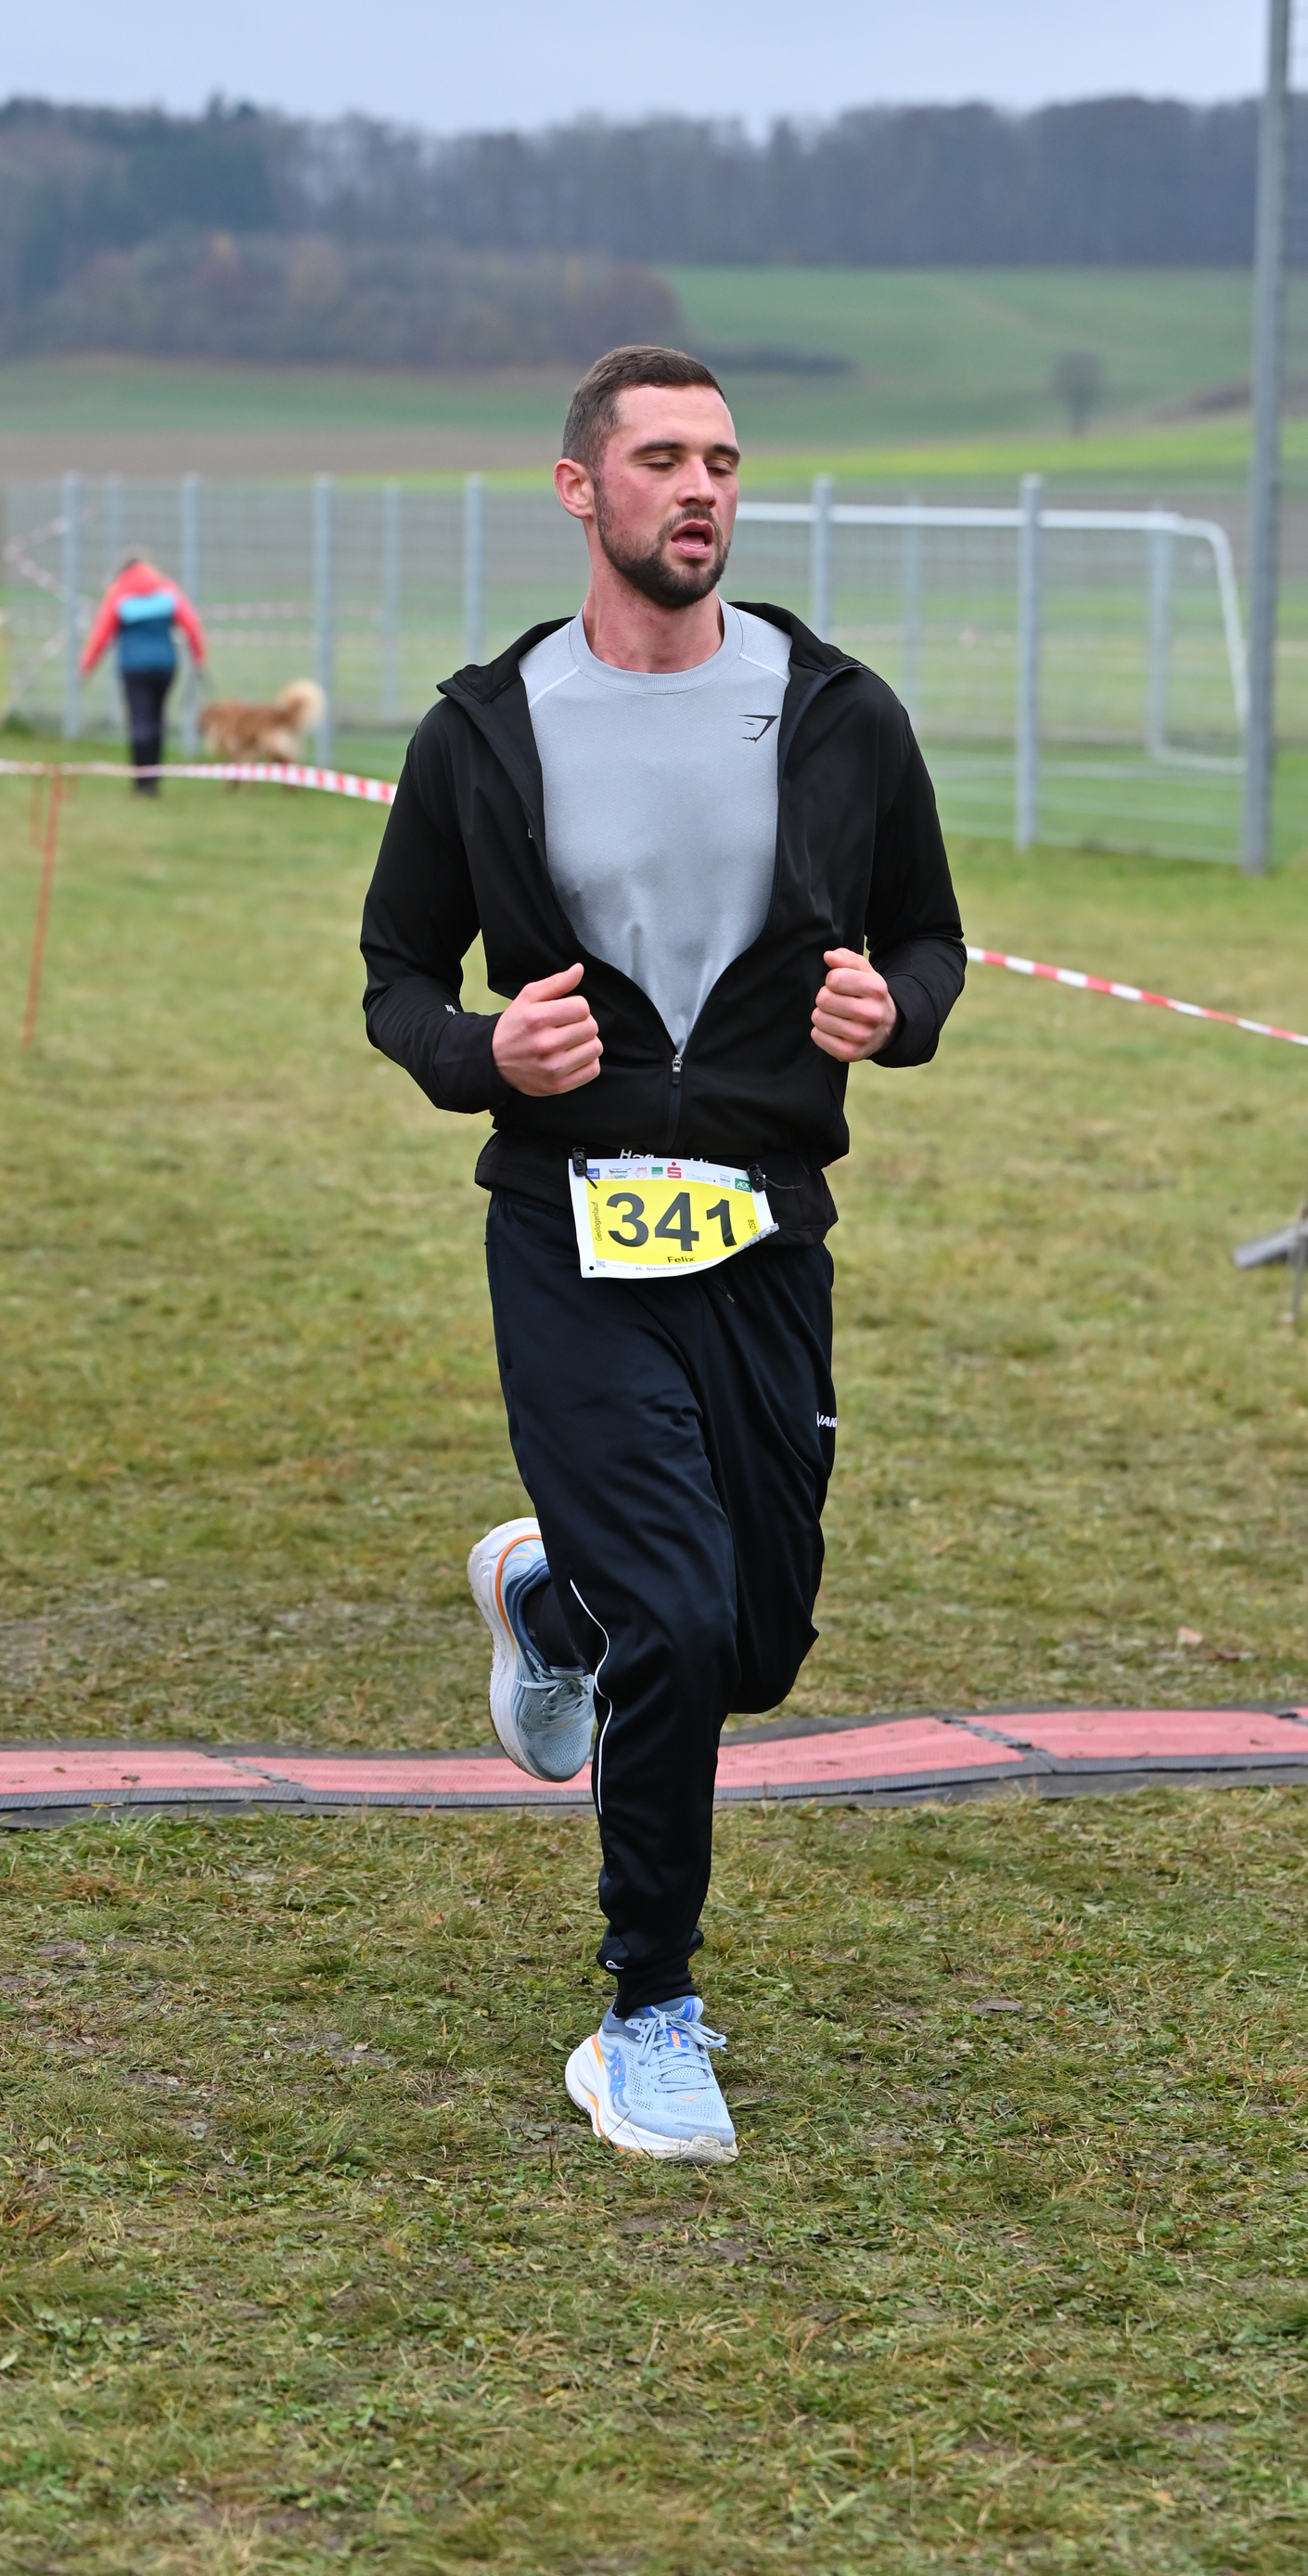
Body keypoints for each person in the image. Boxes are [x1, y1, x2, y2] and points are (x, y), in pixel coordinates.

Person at [360, 346, 965, 2161]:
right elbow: (399, 978)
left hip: (766, 1228)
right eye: (660, 459)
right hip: (568, 1225)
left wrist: (895, 1011)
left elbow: (928, 940)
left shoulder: (836, 710)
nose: (699, 489)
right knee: (684, 1624)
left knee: (750, 1642)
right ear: (580, 489)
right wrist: (485, 1053)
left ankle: (557, 1600)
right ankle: (645, 2012)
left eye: (720, 459)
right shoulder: (485, 729)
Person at [79, 551, 208, 792]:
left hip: (134, 667)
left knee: (139, 721)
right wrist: (199, 658)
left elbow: (102, 633)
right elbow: (192, 624)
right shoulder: (168, 590)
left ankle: (141, 781)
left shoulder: (119, 594)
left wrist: (86, 665)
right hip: (165, 665)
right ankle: (154, 780)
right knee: (157, 720)